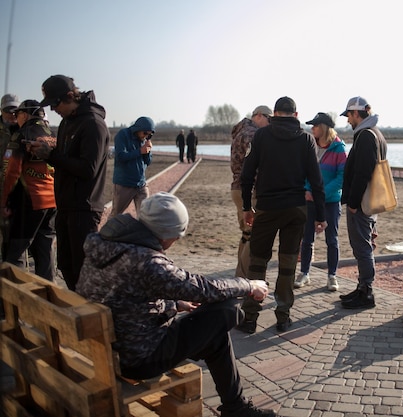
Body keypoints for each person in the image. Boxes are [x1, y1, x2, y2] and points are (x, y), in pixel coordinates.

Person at [76, 192, 276, 417]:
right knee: (226, 310)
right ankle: (236, 409)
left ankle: (235, 407)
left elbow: (125, 298)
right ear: (165, 233)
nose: (175, 242)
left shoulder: (108, 244)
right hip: (137, 358)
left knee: (214, 334)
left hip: (106, 346)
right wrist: (248, 285)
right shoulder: (147, 262)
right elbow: (204, 289)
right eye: (176, 236)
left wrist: (174, 304)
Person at [239, 96, 327, 333]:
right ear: (296, 115)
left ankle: (249, 318)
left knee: (257, 262)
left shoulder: (262, 136)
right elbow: (316, 180)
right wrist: (320, 215)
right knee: (288, 264)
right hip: (295, 209)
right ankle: (283, 316)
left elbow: (247, 175)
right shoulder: (307, 139)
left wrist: (247, 206)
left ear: (274, 114)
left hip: (267, 207)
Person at [30, 74, 110, 291]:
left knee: (83, 270)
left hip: (84, 208)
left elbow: (88, 169)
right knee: (65, 265)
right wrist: (46, 152)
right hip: (65, 205)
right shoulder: (67, 122)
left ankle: (89, 317)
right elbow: (65, 159)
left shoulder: (93, 124)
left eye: (55, 103)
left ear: (69, 97)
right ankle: (76, 315)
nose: (54, 109)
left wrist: (51, 156)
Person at [338, 96, 388, 309]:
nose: (348, 120)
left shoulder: (366, 136)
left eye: (349, 115)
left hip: (363, 202)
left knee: (362, 247)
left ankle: (366, 292)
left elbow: (363, 172)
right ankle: (362, 288)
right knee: (363, 245)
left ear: (356, 113)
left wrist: (354, 202)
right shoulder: (374, 133)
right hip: (368, 200)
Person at [1, 100, 56, 280]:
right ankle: (50, 299)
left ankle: (15, 301)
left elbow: (11, 173)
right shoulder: (52, 134)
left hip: (29, 202)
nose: (16, 119)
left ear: (25, 114)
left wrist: (3, 201)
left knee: (15, 254)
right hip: (52, 202)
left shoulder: (21, 135)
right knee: (44, 252)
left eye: (18, 115)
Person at [294, 112, 347, 292]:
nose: (312, 129)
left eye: (315, 126)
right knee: (306, 238)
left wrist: (321, 194)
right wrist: (307, 190)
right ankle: (304, 273)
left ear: (323, 128)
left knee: (331, 239)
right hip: (309, 200)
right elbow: (303, 171)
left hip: (331, 202)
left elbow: (342, 177)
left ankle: (332, 276)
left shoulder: (339, 149)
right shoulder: (310, 146)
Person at [230, 105, 272, 278]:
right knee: (255, 235)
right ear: (260, 116)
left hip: (237, 188)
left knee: (247, 234)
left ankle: (241, 274)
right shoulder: (252, 135)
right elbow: (256, 166)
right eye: (269, 120)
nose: (270, 125)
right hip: (249, 189)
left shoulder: (240, 132)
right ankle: (244, 276)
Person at [111, 116, 154, 217]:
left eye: (149, 135)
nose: (146, 136)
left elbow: (148, 162)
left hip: (141, 184)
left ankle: (142, 233)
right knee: (116, 215)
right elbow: (121, 156)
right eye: (144, 133)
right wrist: (140, 151)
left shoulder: (144, 140)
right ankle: (107, 232)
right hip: (124, 184)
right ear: (138, 129)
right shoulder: (123, 135)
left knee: (146, 216)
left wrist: (147, 152)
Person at [1, 93, 20, 260]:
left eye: (15, 110)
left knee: (11, 237)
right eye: (8, 110)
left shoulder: (24, 129)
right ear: (1, 110)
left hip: (15, 191)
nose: (12, 114)